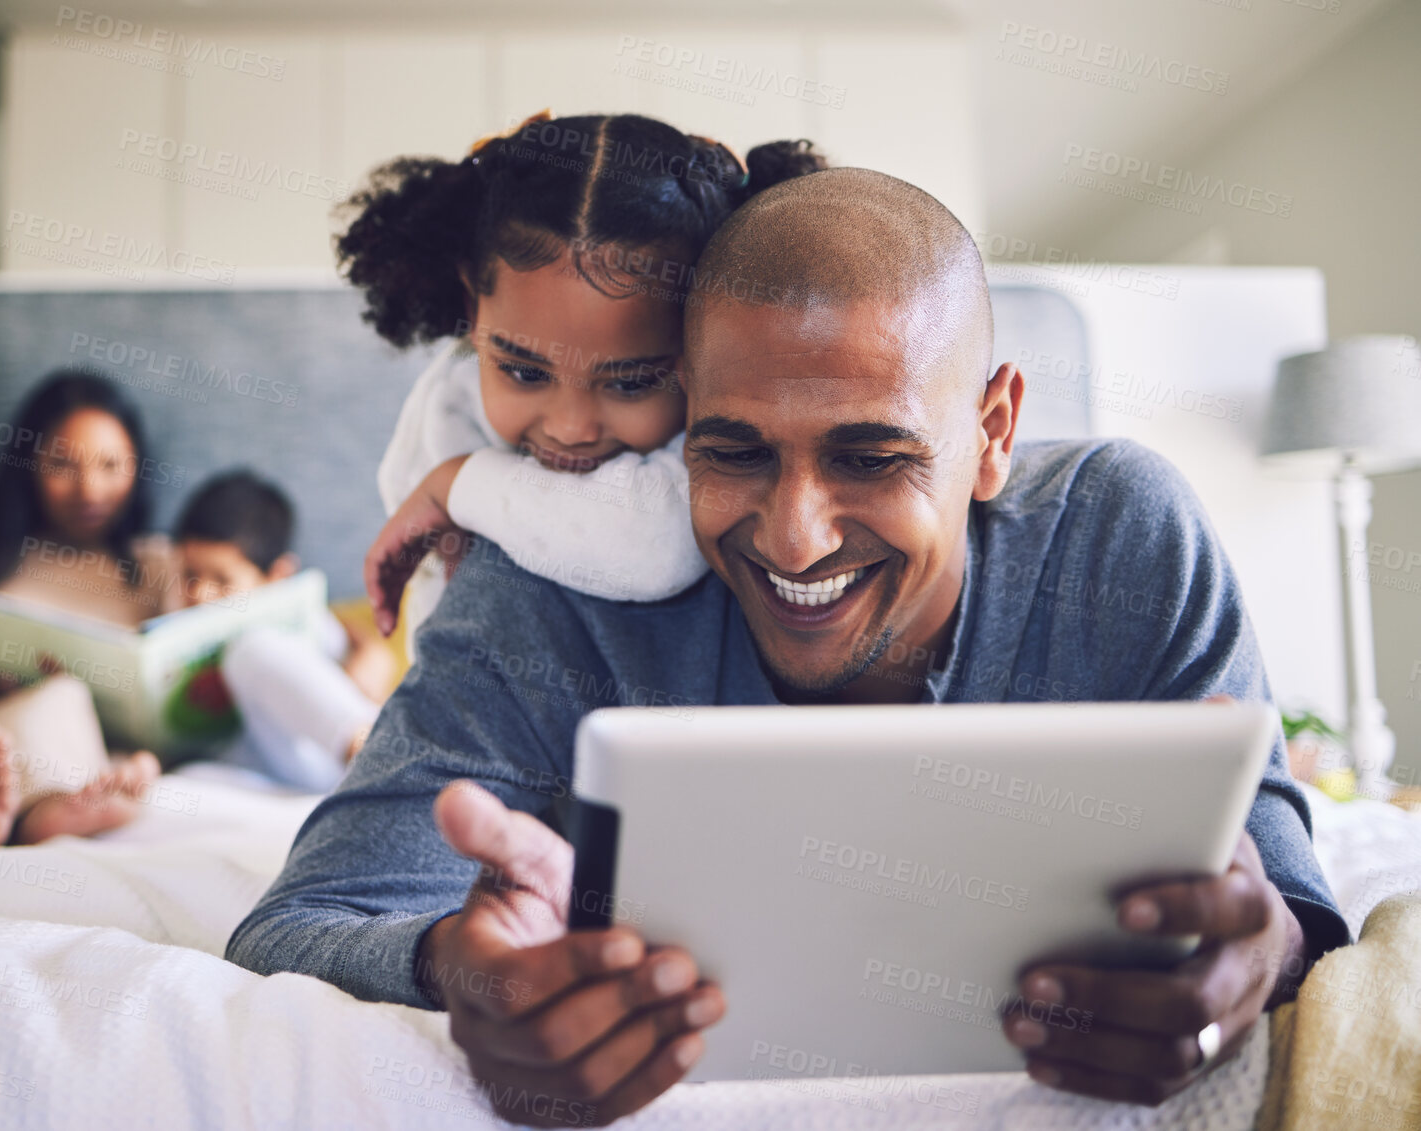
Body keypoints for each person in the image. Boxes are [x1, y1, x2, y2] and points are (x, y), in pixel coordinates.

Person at [229, 168, 1350, 1124]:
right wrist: (459, 971)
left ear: (993, 431)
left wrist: (1261, 959)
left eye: (871, 457)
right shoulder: (547, 588)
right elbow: (297, 926)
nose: (793, 534)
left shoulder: (1120, 536)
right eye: (735, 453)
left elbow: (1286, 896)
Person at [349, 111, 827, 638]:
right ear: (473, 307)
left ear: (707, 340)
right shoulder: (447, 400)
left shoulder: (728, 422)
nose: (570, 428)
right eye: (524, 373)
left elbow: (655, 548)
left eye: (630, 383)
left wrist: (454, 485)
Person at [0, 371, 173, 848]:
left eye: (111, 465)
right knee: (24, 720)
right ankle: (0, 811)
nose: (89, 489)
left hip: (103, 762)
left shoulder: (159, 567)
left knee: (84, 717)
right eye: (63, 464)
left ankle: (21, 822)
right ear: (28, 465)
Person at [172, 468, 396, 791]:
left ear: (277, 577)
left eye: (222, 581)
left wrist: (369, 651)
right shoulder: (173, 622)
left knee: (251, 650)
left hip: (326, 762)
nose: (199, 594)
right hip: (262, 780)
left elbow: (358, 659)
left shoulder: (304, 626)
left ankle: (383, 763)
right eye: (190, 575)